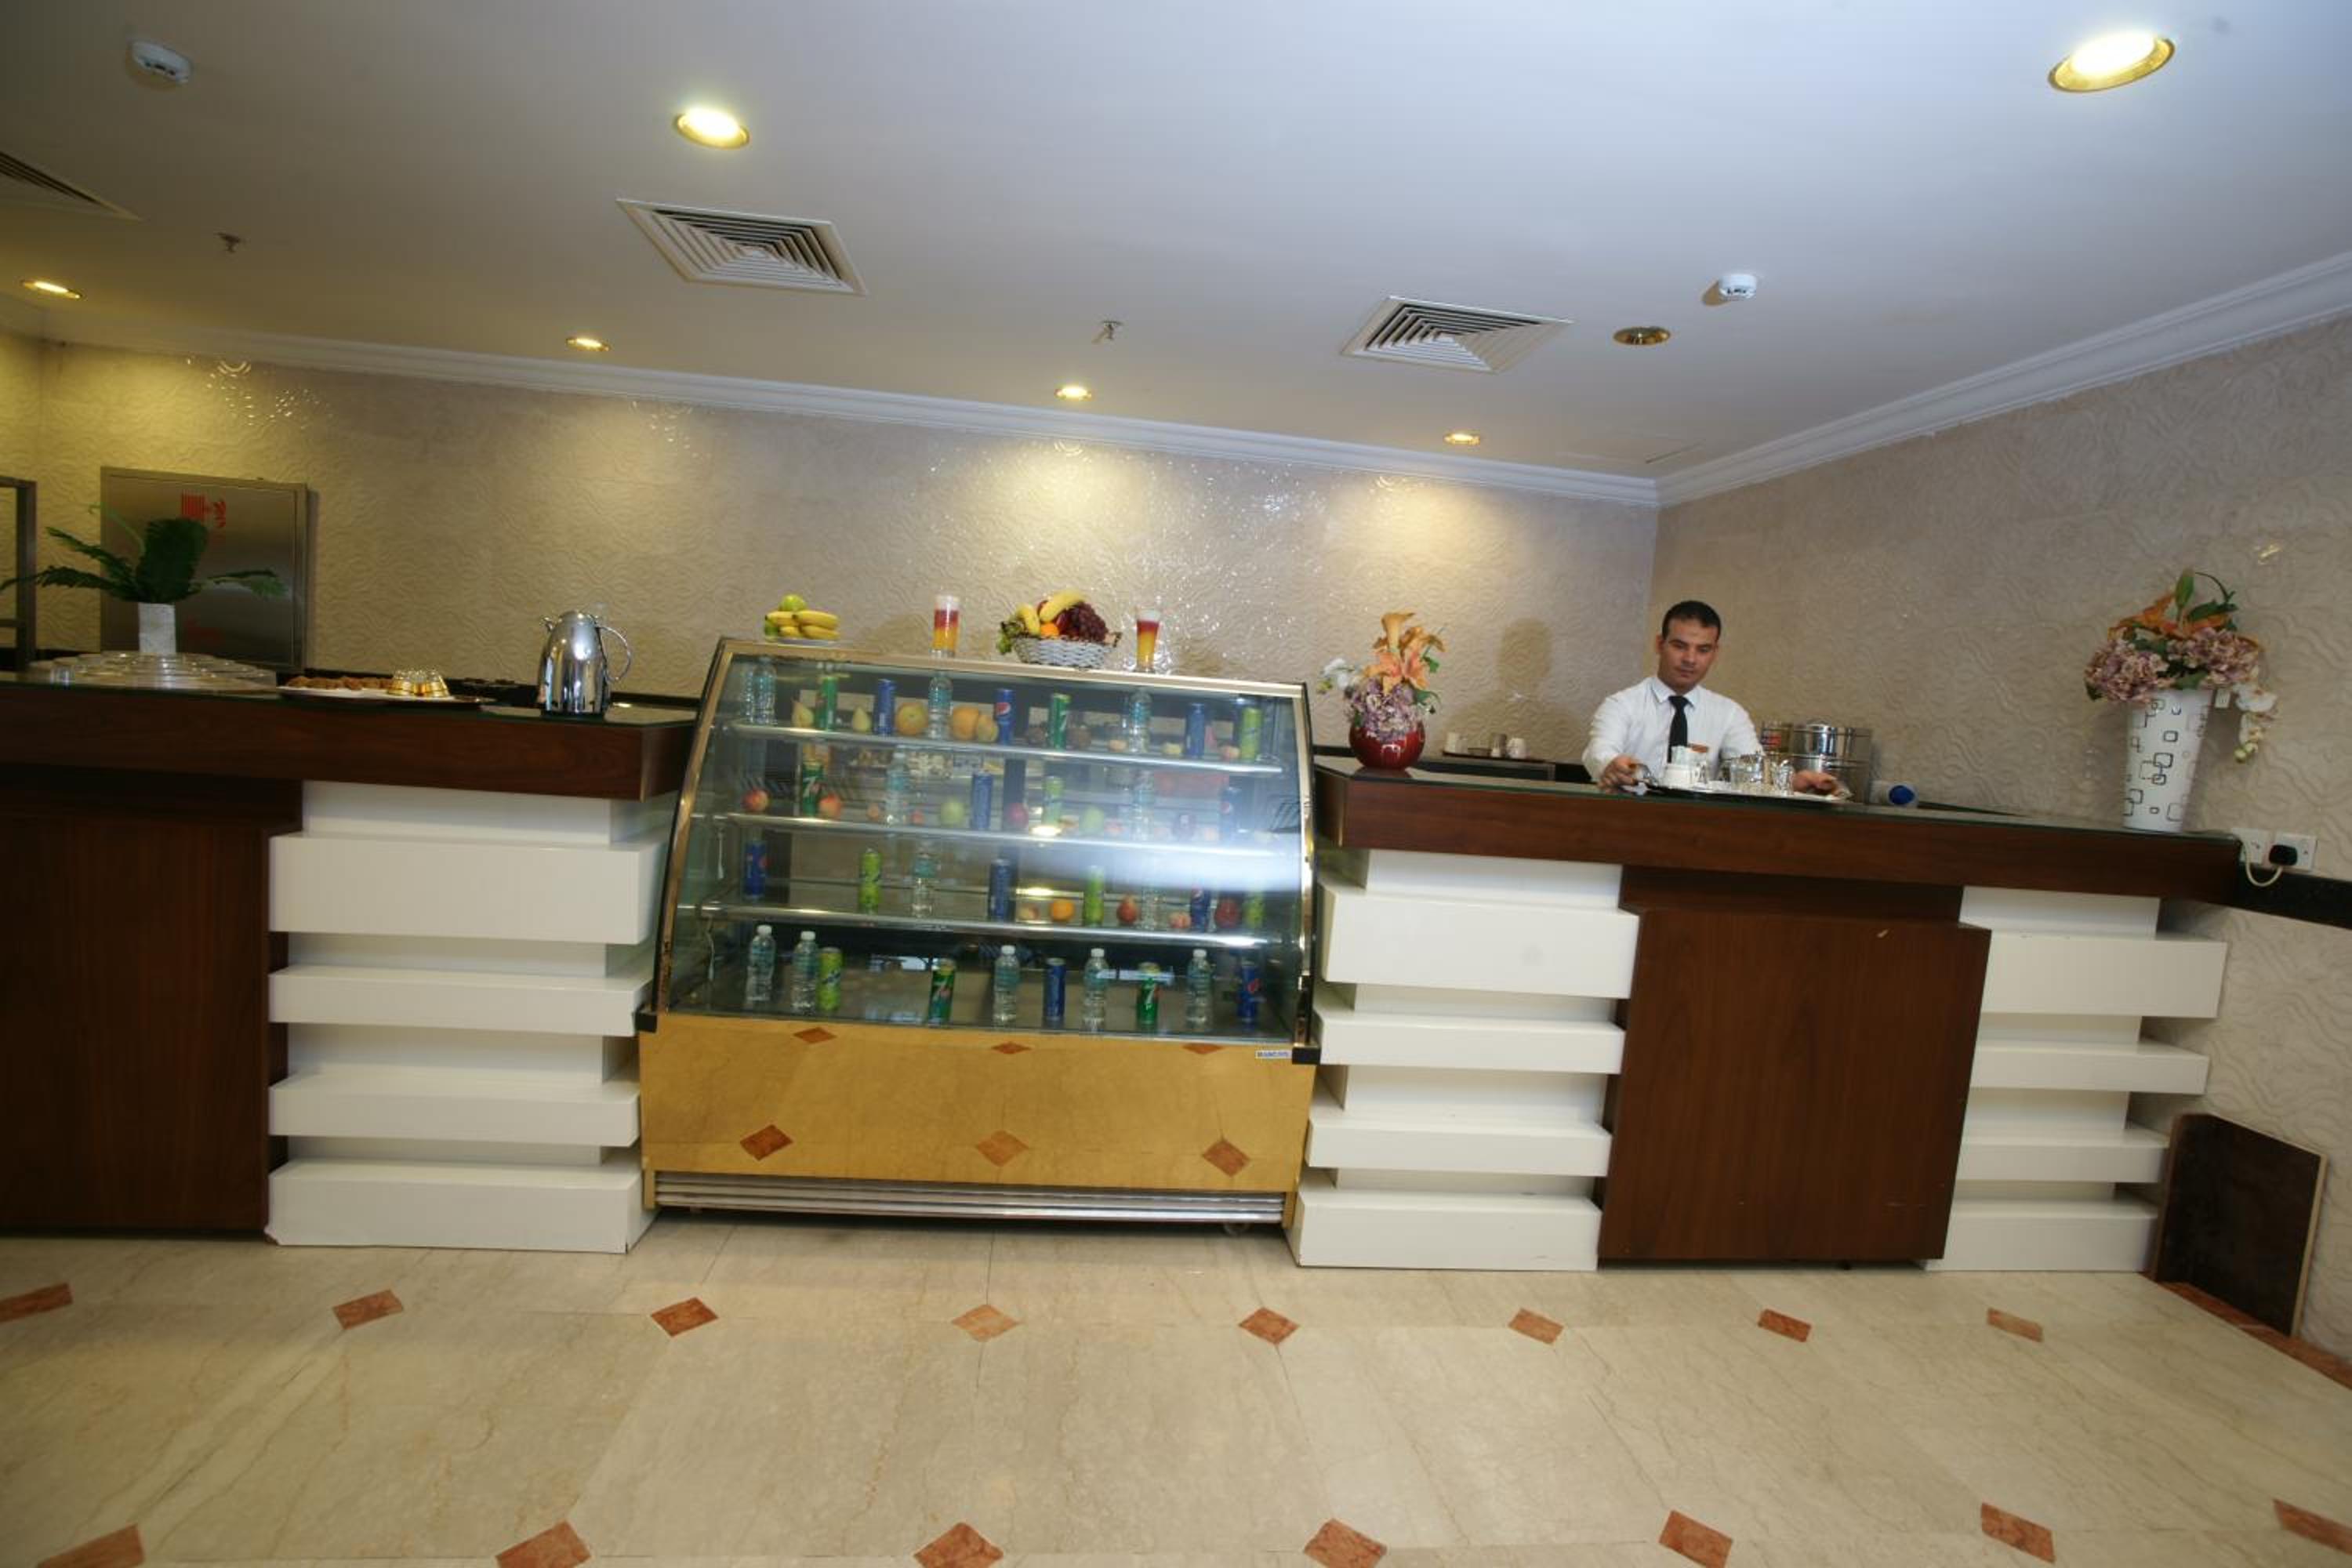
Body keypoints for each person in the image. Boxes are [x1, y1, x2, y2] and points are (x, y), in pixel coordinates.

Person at [1582, 601, 1840, 794]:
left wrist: (1796, 782)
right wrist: (1611, 765)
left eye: (1703, 650)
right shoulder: (1622, 705)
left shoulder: (1729, 714)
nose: (1690, 659)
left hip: (1699, 831)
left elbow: (1755, 774)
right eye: (1680, 646)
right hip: (1629, 822)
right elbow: (1599, 752)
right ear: (1660, 645)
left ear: (1715, 653)